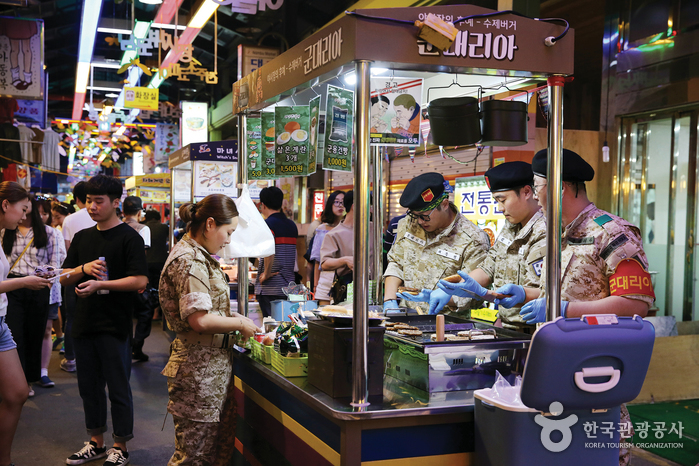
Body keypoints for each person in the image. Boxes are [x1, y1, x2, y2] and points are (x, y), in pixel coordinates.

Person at [516, 149, 654, 466]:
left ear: (558, 187)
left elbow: (636, 305)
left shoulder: (611, 233)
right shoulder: (558, 234)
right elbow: (573, 291)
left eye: (537, 187)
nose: (535, 197)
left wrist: (563, 310)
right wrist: (522, 294)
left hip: (595, 380)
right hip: (554, 377)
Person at [159, 194, 260, 465]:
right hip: (197, 374)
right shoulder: (190, 259)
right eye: (228, 232)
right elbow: (199, 321)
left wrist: (232, 316)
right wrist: (239, 323)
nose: (228, 240)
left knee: (216, 450)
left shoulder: (201, 256)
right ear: (210, 224)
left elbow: (209, 310)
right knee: (194, 456)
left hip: (211, 371)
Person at [60, 175, 149, 466]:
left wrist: (101, 285)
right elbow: (64, 275)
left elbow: (140, 279)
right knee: (89, 387)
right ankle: (95, 442)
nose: (92, 207)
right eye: (88, 201)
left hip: (115, 324)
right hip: (83, 322)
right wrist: (84, 268)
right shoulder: (84, 237)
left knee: (118, 386)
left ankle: (120, 445)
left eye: (99, 201)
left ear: (115, 202)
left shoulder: (129, 237)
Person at [436, 162, 546, 332]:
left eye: (503, 200)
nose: (500, 208)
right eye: (496, 201)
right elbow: (488, 268)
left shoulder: (544, 230)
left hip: (534, 330)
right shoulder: (511, 226)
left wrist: (485, 294)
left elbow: (537, 291)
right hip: (506, 326)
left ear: (526, 192)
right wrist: (455, 290)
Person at [385, 172, 490, 315]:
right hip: (406, 316)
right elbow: (396, 262)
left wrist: (447, 298)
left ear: (445, 204)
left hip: (448, 325)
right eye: (415, 215)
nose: (420, 222)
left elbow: (476, 293)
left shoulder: (473, 239)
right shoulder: (409, 224)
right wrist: (389, 300)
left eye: (425, 216)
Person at [0, 182, 52, 466]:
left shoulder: (3, 234)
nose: (24, 216)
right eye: (22, 209)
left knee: (18, 392)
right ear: (6, 205)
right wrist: (24, 281)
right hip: (5, 312)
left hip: (1, 321)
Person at [2, 194, 64, 395]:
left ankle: (29, 378)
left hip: (38, 287)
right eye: (22, 206)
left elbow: (56, 263)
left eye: (26, 207)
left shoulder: (50, 233)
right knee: (14, 333)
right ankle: (17, 381)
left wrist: (46, 280)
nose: (24, 211)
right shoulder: (6, 231)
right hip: (11, 286)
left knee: (36, 334)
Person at [60, 181, 96, 373]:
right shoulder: (104, 216)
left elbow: (68, 251)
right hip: (100, 274)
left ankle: (71, 358)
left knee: (72, 317)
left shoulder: (70, 219)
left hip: (74, 274)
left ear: (76, 199)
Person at [35, 196, 68, 388]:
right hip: (24, 289)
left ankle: (43, 371)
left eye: (44, 213)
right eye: (37, 212)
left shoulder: (53, 234)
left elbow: (58, 261)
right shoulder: (13, 231)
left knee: (47, 330)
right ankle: (28, 372)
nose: (41, 216)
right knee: (27, 330)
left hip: (50, 289)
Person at [254, 186, 298, 318]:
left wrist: (266, 273)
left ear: (262, 205)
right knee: (285, 326)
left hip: (270, 287)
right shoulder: (291, 225)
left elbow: (269, 250)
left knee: (272, 327)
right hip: (289, 286)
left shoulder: (266, 224)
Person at [122, 196, 153, 362]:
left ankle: (125, 348)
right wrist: (143, 278)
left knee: (124, 312)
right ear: (140, 212)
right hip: (135, 277)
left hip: (118, 279)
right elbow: (143, 256)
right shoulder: (143, 229)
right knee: (145, 312)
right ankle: (137, 346)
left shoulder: (117, 227)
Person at [316, 191, 356, 305]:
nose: (372, 210)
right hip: (344, 290)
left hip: (371, 290)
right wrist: (345, 260)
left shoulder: (374, 230)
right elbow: (323, 263)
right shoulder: (333, 234)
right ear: (355, 206)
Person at [307, 190, 345, 291]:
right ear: (330, 204)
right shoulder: (322, 230)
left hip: (346, 279)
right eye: (336, 202)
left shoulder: (351, 229)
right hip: (326, 278)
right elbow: (317, 260)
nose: (340, 206)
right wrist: (315, 285)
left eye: (343, 202)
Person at [144, 209, 169, 321]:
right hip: (161, 262)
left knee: (147, 287)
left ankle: (146, 312)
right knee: (159, 287)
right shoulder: (164, 227)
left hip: (146, 262)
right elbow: (173, 242)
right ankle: (156, 313)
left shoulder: (143, 227)